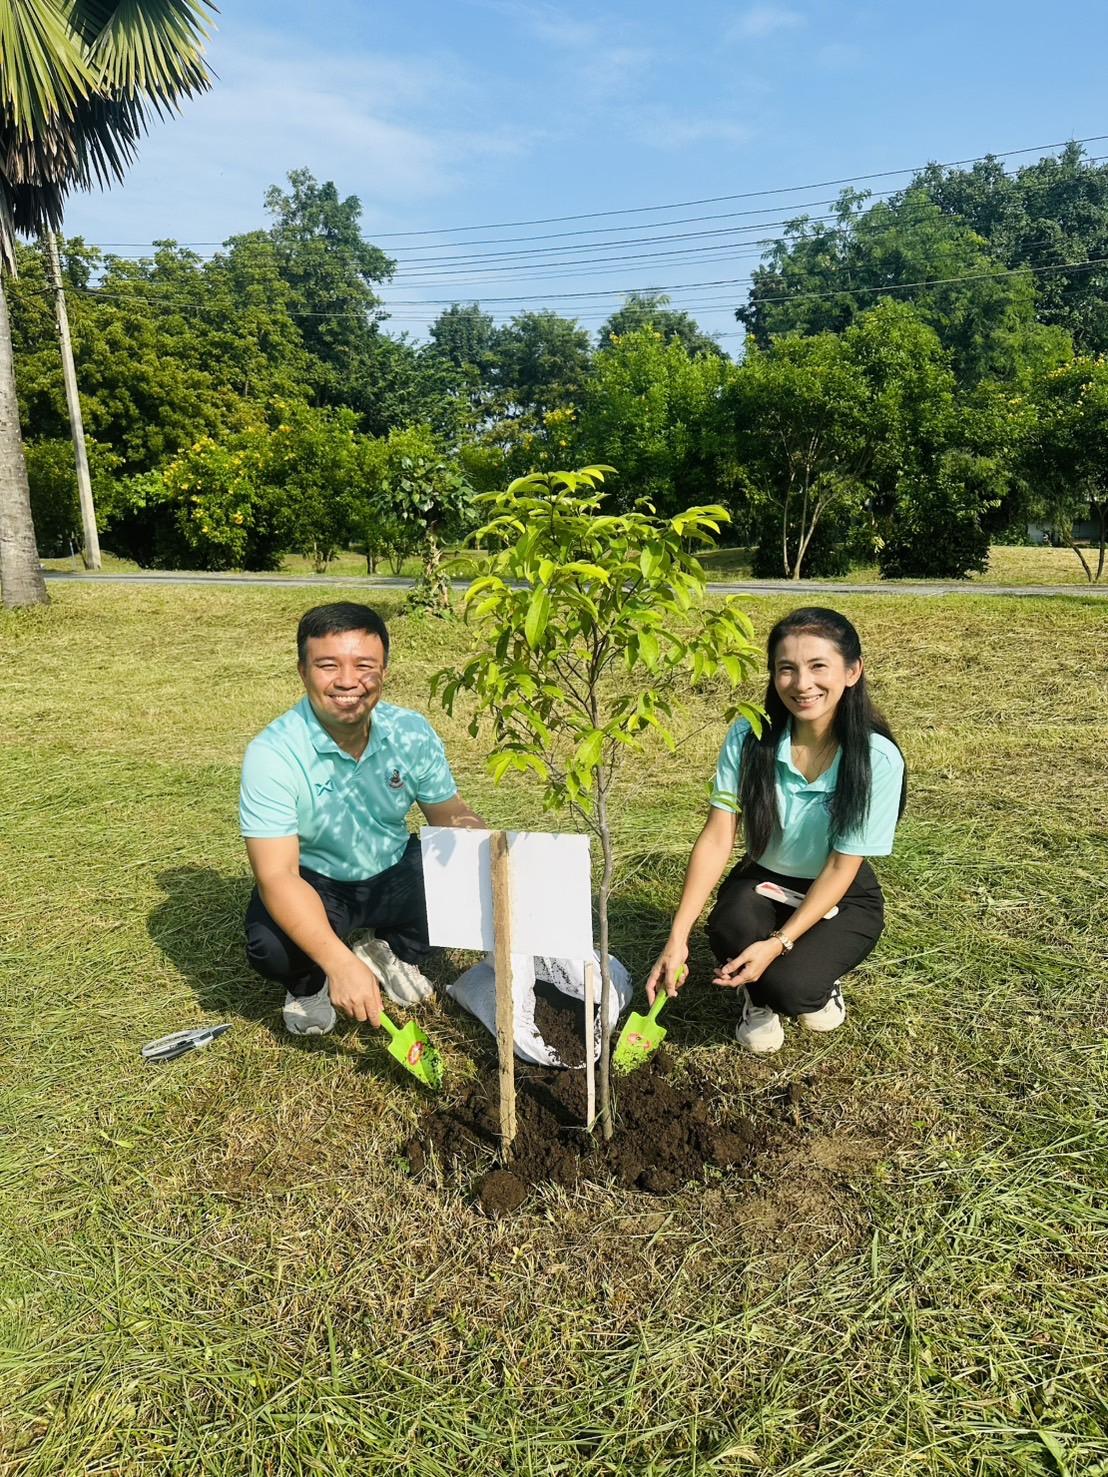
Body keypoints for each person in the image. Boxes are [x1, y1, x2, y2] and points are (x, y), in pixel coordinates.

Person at [646, 607, 905, 1054]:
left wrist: (778, 943)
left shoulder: (876, 759)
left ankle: (800, 982)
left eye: (818, 666)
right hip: (764, 877)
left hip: (839, 889)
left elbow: (844, 865)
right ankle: (756, 995)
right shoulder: (751, 737)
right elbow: (717, 836)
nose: (802, 683)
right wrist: (677, 937)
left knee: (793, 988)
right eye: (787, 668)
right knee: (730, 925)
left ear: (852, 671)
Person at [240, 602, 484, 1036]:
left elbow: (449, 814)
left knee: (463, 877)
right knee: (271, 944)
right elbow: (277, 875)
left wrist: (491, 856)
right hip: (316, 882)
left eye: (365, 666)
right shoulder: (273, 753)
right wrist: (337, 962)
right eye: (328, 665)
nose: (348, 681)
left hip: (392, 866)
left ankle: (388, 949)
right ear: (302, 671)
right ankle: (309, 984)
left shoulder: (410, 731)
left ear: (384, 672)